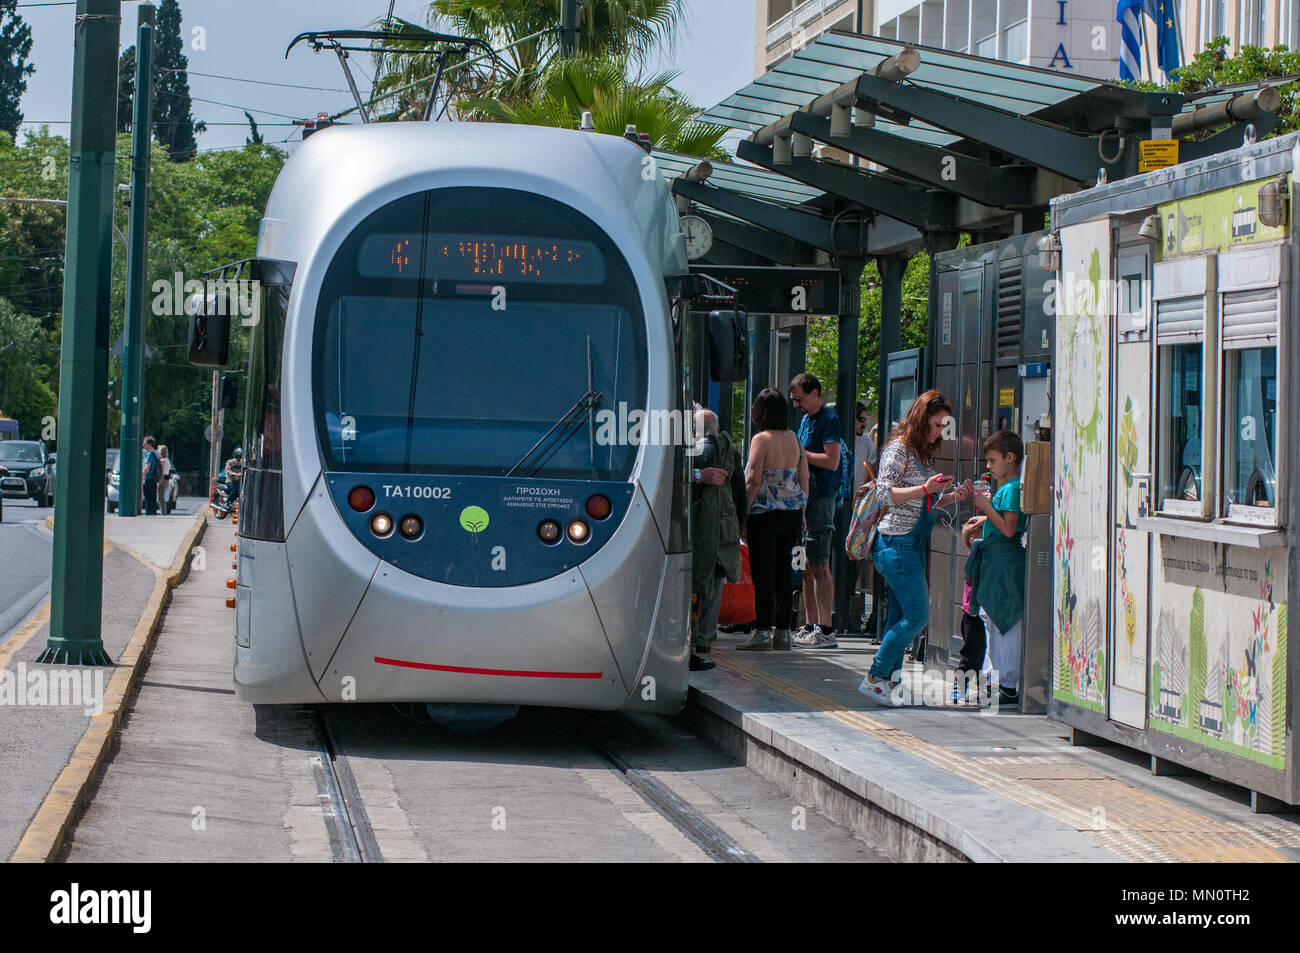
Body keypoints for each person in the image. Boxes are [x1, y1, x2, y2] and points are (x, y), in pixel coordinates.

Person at [858, 390, 972, 706]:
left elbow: (924, 501)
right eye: (937, 425)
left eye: (943, 425)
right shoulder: (899, 450)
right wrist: (925, 487)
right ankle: (874, 676)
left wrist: (951, 496)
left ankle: (890, 683)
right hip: (895, 544)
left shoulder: (920, 454)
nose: (940, 432)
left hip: (910, 543)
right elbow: (884, 495)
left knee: (899, 615)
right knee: (918, 614)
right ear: (922, 420)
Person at [737, 388, 808, 651]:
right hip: (791, 514)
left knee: (763, 573)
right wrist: (801, 511)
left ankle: (762, 630)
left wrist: (742, 513)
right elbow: (804, 478)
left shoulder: (761, 439)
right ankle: (783, 633)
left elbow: (753, 479)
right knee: (783, 573)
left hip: (764, 514)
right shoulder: (794, 440)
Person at [966, 430, 1028, 706]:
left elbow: (1008, 528)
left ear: (1010, 458)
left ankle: (1006, 684)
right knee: (994, 622)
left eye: (992, 460)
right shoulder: (1009, 488)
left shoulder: (1013, 488)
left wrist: (984, 506)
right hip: (997, 565)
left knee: (1003, 623)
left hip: (1003, 565)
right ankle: (998, 681)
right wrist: (984, 519)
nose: (988, 467)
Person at [689, 408, 746, 671]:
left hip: (695, 525)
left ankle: (690, 637)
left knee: (693, 581)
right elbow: (740, 493)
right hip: (725, 524)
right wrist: (740, 525)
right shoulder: (731, 452)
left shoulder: (691, 451)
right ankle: (705, 639)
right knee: (715, 577)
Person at [789, 372, 840, 648]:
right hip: (805, 498)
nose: (797, 405)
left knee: (819, 563)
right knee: (806, 566)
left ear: (815, 393)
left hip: (821, 499)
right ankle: (810, 625)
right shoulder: (806, 420)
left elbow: (832, 461)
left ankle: (827, 630)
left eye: (799, 399)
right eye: (794, 400)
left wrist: (798, 453)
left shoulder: (829, 420)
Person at [953, 513, 989, 705]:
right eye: (987, 533)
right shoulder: (976, 560)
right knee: (971, 654)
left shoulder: (983, 558)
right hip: (973, 615)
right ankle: (959, 687)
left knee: (983, 655)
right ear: (975, 541)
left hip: (977, 614)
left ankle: (982, 690)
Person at [141, 436, 162, 515]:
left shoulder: (150, 454)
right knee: (153, 499)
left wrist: (141, 476)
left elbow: (147, 467)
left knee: (148, 499)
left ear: (150, 444)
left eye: (145, 444)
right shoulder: (156, 453)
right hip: (155, 478)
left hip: (149, 478)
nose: (143, 445)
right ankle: (153, 514)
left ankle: (149, 514)